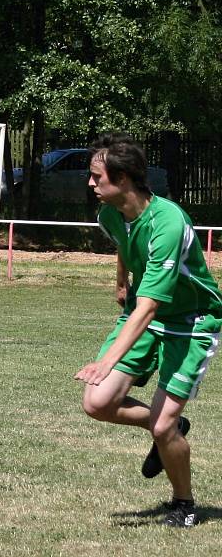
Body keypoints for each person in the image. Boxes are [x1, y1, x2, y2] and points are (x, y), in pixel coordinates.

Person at [75, 133, 222, 529]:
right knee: (97, 403)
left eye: (96, 176)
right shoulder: (110, 212)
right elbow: (125, 243)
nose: (91, 184)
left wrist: (107, 361)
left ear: (123, 179)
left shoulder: (168, 223)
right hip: (143, 311)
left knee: (161, 425)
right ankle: (172, 426)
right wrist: (120, 281)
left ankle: (184, 503)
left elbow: (151, 306)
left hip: (191, 323)